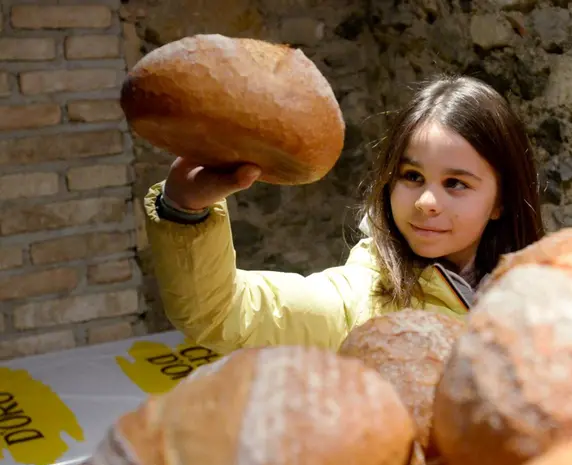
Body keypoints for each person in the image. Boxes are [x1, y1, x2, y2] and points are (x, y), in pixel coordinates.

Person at [142, 74, 545, 355]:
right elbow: (221, 311)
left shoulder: (549, 294)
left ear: (500, 201)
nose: (426, 201)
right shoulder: (359, 301)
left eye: (455, 183)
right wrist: (185, 209)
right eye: (412, 176)